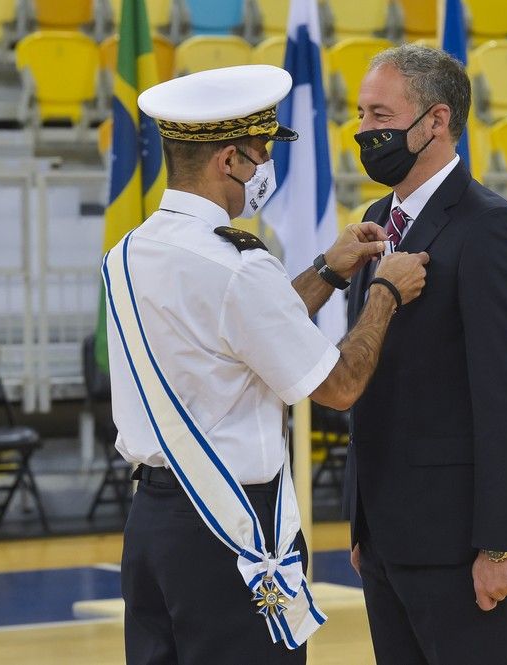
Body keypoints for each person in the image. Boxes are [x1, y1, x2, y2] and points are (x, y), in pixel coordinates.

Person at [105, 64, 428, 665]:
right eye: (260, 153)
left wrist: (328, 272)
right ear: (229, 160)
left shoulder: (132, 250)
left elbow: (238, 332)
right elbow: (339, 385)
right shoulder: (238, 266)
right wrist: (385, 291)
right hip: (227, 525)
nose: (265, 170)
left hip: (152, 525)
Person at [344, 45, 507, 664]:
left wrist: (501, 546)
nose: (365, 131)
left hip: (460, 545)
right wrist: (359, 521)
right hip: (383, 536)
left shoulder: (491, 227)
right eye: (360, 114)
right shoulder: (375, 224)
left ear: (435, 121)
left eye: (381, 115)